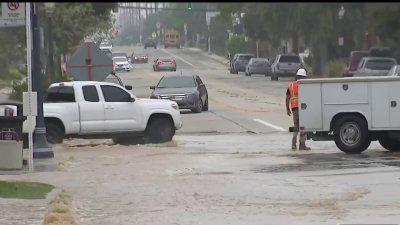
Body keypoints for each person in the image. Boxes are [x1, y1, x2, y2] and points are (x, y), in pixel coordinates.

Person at [286, 68, 311, 151]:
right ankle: (302, 145)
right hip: (302, 108)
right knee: (303, 127)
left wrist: (287, 109)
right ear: (303, 77)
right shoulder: (304, 84)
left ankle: (293, 145)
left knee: (296, 127)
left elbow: (287, 98)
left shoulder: (291, 85)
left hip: (294, 108)